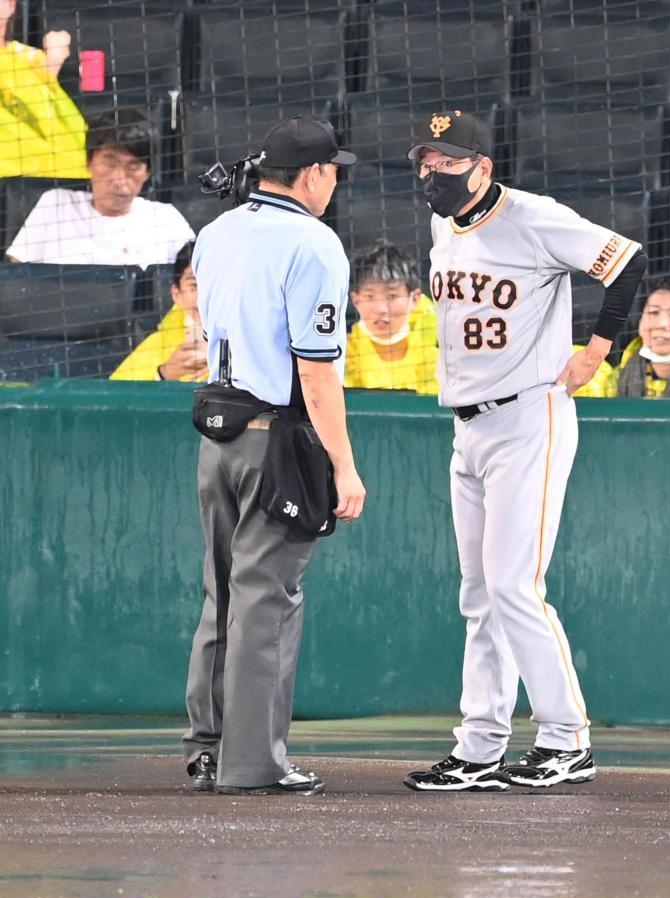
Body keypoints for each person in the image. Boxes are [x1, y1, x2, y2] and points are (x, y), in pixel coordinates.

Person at [403, 110, 647, 792]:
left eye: (446, 162)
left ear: (482, 167)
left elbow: (626, 261)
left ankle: (567, 738)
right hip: (467, 425)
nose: (432, 173)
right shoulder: (439, 227)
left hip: (527, 418)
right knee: (479, 593)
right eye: (424, 161)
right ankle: (480, 746)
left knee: (514, 586)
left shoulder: (535, 217)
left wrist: (599, 349)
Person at [182, 117, 366, 796]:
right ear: (312, 175)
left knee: (223, 593)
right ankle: (253, 764)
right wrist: (343, 465)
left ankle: (207, 748)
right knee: (266, 599)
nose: (334, 180)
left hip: (217, 432)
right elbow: (315, 371)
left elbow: (204, 324)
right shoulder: (313, 244)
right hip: (276, 437)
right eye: (332, 169)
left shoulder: (217, 230)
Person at [6, 107, 193, 267]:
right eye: (110, 163)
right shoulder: (56, 204)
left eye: (133, 167)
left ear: (147, 173)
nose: (119, 179)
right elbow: (16, 276)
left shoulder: (165, 220)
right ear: (89, 162)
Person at [0, 0, 88, 178]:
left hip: (45, 165)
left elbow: (40, 109)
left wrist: (53, 62)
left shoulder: (31, 58)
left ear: (11, 5)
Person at [344, 243, 439, 396]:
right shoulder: (343, 353)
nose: (381, 308)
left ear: (414, 299)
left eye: (392, 296)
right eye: (369, 296)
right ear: (355, 300)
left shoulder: (438, 351)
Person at [110, 241, 208, 382]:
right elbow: (115, 398)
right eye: (194, 285)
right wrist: (163, 374)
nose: (204, 297)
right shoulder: (158, 345)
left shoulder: (248, 342)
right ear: (176, 294)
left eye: (214, 285)